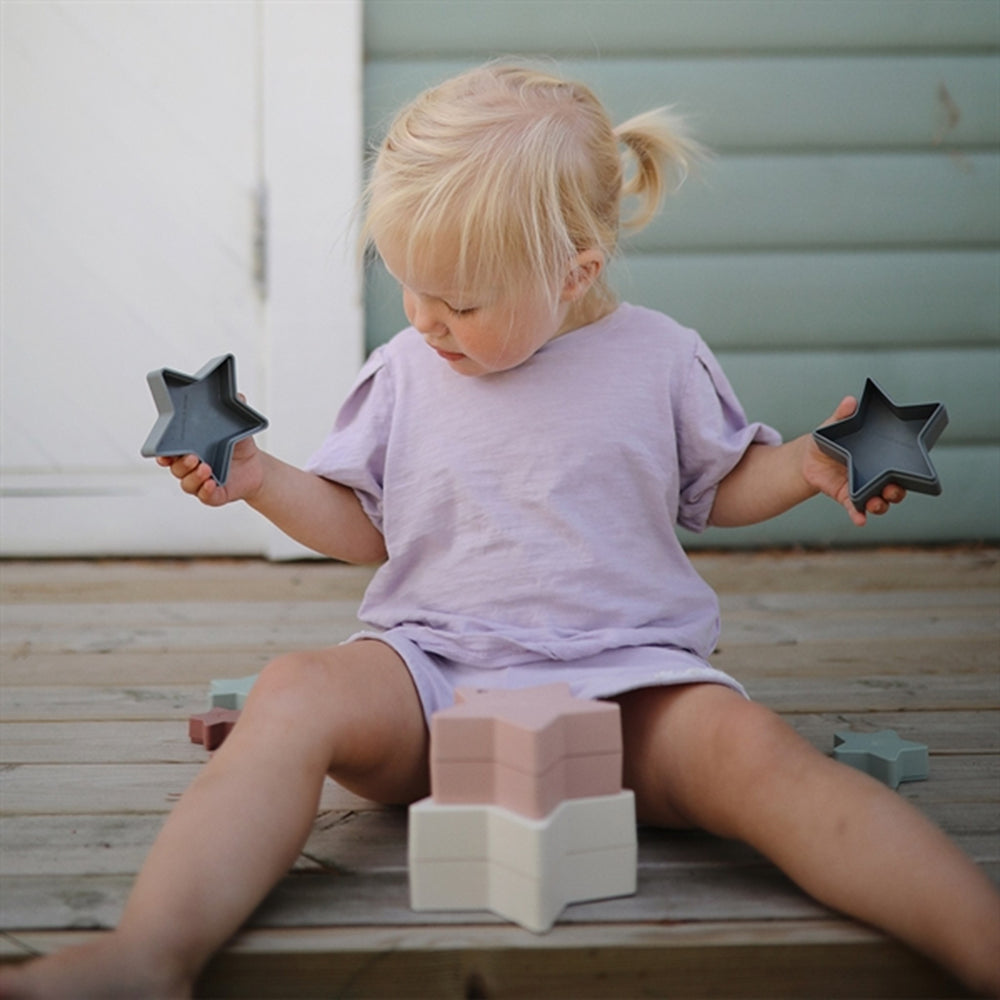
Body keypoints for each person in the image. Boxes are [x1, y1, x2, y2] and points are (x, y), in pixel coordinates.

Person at [2, 61, 997, 1000]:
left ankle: (979, 941)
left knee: (757, 754)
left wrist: (808, 463)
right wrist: (261, 479)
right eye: (408, 285)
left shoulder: (660, 358)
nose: (426, 319)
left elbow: (720, 486)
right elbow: (363, 526)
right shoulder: (404, 371)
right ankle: (150, 952)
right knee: (293, 690)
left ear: (572, 271)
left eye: (460, 301)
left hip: (628, 686)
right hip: (431, 679)